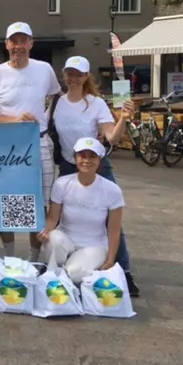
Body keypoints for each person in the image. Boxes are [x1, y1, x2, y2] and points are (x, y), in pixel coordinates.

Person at [48, 55, 140, 296]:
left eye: (78, 74)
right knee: (66, 218)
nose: (73, 78)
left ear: (86, 76)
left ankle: (124, 271)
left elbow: (111, 137)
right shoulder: (56, 103)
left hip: (97, 165)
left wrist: (122, 119)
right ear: (64, 75)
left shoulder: (96, 103)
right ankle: (63, 267)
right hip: (69, 166)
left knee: (111, 219)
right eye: (70, 73)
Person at [0, 21, 62, 261]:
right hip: (8, 149)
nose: (18, 46)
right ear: (7, 45)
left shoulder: (44, 69)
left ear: (31, 43)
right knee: (10, 203)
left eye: (23, 40)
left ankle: (33, 261)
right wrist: (14, 120)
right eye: (13, 41)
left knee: (39, 205)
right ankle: (11, 258)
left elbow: (56, 96)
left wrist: (46, 120)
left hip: (39, 143)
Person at [38, 137, 124, 284]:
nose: (86, 161)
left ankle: (59, 274)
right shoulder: (62, 184)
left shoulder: (112, 190)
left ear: (100, 160)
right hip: (67, 239)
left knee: (74, 273)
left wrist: (110, 260)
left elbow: (114, 230)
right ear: (75, 158)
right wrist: (45, 232)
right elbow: (53, 218)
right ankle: (53, 270)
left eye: (92, 157)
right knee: (53, 240)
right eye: (82, 156)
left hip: (94, 245)